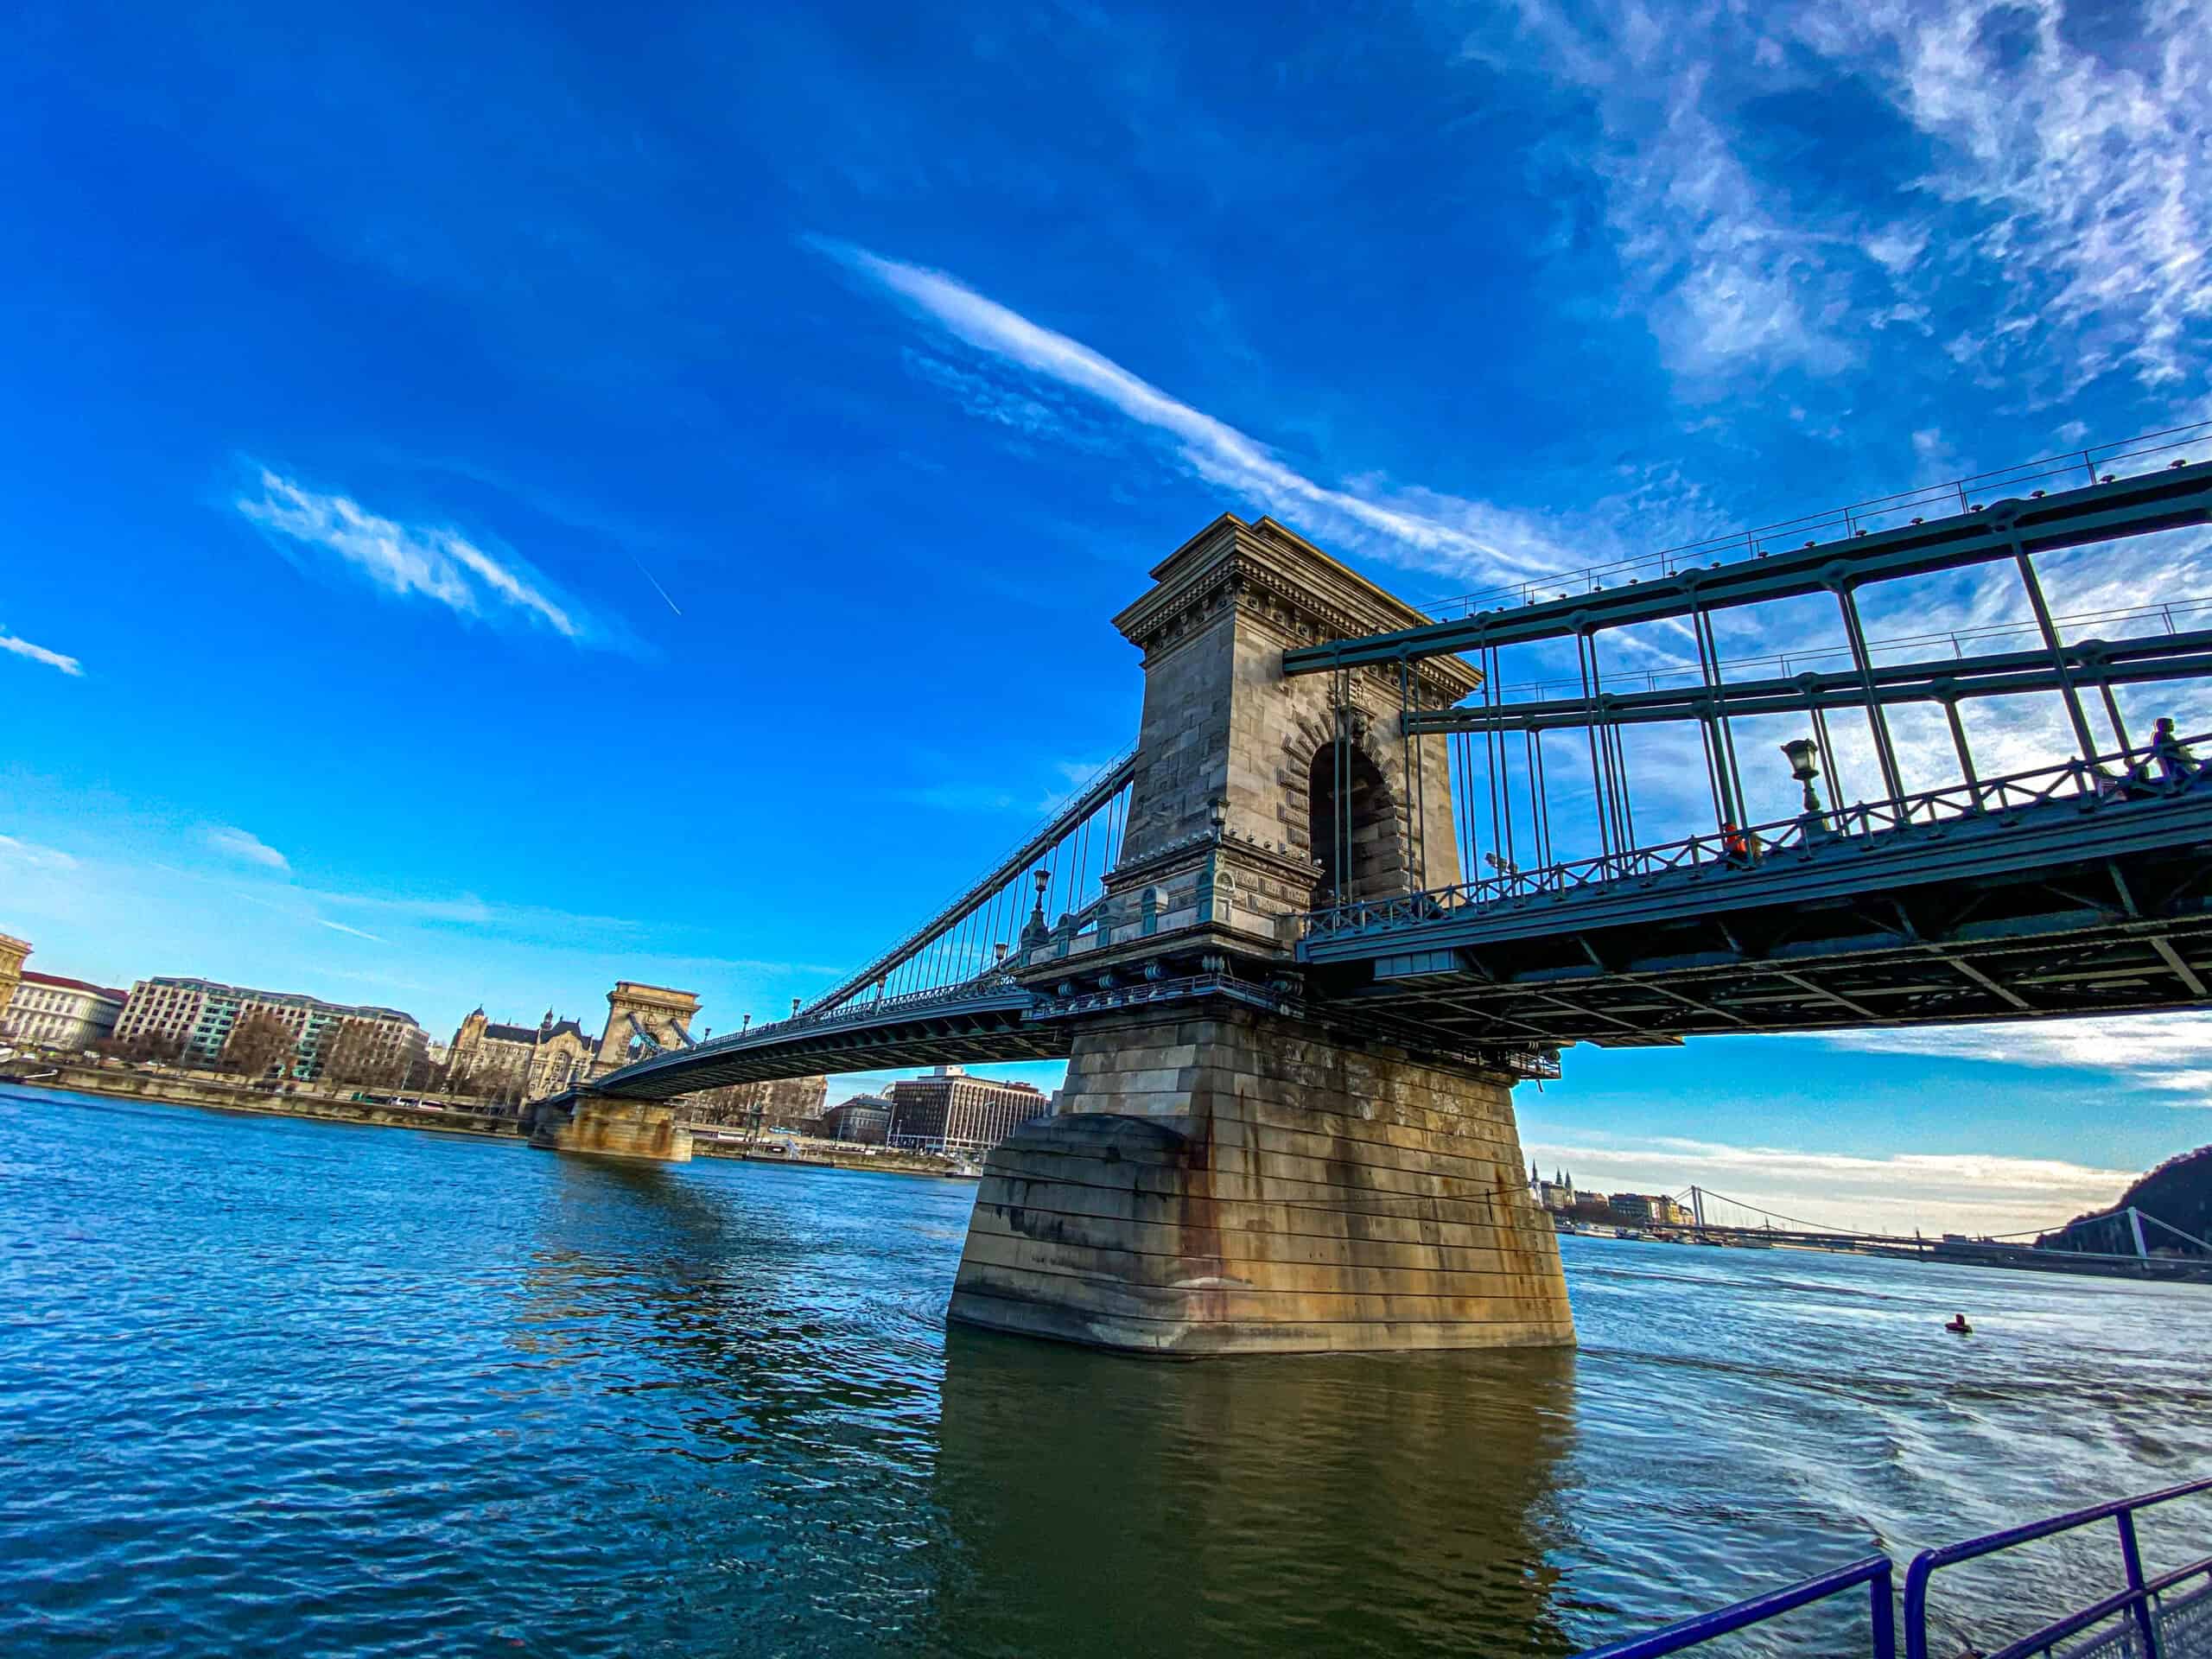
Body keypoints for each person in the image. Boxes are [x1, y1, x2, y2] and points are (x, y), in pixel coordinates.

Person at [2148, 717, 2199, 785]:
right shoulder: (2159, 735)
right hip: (2171, 761)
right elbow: (2160, 749)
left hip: (2175, 760)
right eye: (2171, 724)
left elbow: (2174, 747)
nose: (2173, 726)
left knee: (2186, 774)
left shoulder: (2168, 735)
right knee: (2186, 776)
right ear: (2163, 726)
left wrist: (2184, 750)